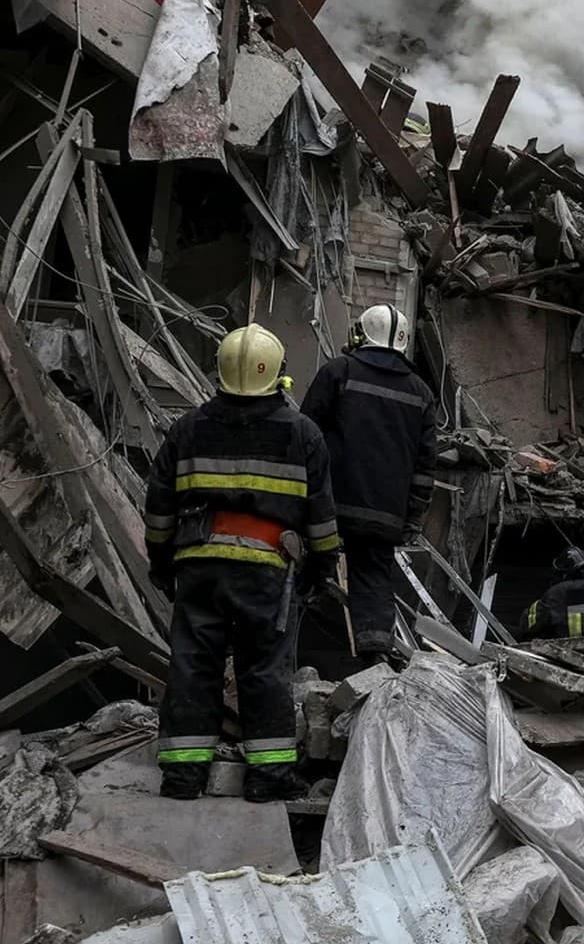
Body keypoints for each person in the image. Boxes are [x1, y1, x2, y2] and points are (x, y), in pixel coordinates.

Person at [144, 324, 341, 802]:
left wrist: (161, 563)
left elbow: (159, 509)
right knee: (264, 669)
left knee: (193, 665)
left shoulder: (187, 429)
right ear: (278, 375)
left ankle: (183, 777)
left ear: (220, 371)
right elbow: (321, 520)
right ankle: (268, 777)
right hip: (267, 572)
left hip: (199, 565)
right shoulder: (302, 434)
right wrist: (320, 569)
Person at [301, 305, 437, 666]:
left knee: (308, 567)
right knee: (375, 581)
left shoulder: (337, 373)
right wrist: (413, 517)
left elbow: (305, 438)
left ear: (361, 333)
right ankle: (375, 658)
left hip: (329, 506)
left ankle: (288, 645)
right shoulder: (421, 392)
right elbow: (425, 467)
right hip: (385, 514)